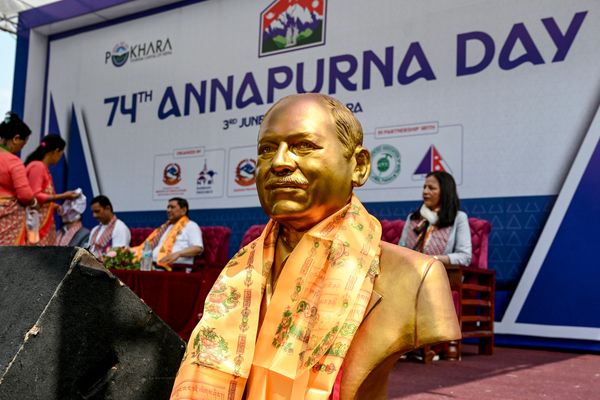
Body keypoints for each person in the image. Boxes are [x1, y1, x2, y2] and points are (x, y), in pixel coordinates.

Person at [170, 94, 460, 400]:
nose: (279, 162)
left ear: (359, 167)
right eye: (267, 150)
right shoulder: (240, 273)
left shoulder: (417, 277)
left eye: (303, 146)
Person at [399, 171, 472, 266]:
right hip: (409, 271)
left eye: (431, 188)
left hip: (441, 274)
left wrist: (433, 259)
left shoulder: (458, 218)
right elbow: (400, 249)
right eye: (424, 187)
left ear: (445, 192)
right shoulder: (413, 218)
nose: (425, 191)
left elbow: (464, 257)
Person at [24, 134, 80, 245]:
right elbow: (35, 196)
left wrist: (54, 206)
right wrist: (63, 196)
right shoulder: (37, 167)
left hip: (41, 223)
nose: (59, 158)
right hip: (35, 224)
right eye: (60, 154)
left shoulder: (43, 168)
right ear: (56, 151)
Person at [132, 197, 203, 271]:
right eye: (168, 207)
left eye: (172, 207)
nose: (168, 210)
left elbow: (198, 248)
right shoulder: (164, 227)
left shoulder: (191, 226)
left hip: (175, 268)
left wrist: (178, 254)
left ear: (183, 210)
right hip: (151, 265)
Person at [0, 112, 37, 245]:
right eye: (22, 145)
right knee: (8, 260)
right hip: (7, 220)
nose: (20, 149)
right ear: (16, 138)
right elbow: (25, 195)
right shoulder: (13, 161)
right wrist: (33, 202)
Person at [88, 195, 131, 259]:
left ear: (108, 208)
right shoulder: (95, 230)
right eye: (93, 212)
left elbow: (118, 256)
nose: (94, 215)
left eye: (97, 211)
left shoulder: (120, 228)